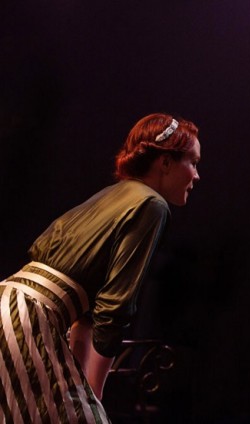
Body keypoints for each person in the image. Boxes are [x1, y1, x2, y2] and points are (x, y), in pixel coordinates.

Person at [0, 113, 201, 422]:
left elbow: (84, 317)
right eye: (193, 162)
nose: (197, 176)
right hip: (27, 317)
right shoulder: (150, 204)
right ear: (165, 162)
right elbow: (114, 307)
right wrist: (94, 394)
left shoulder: (109, 197)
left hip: (11, 305)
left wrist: (87, 389)